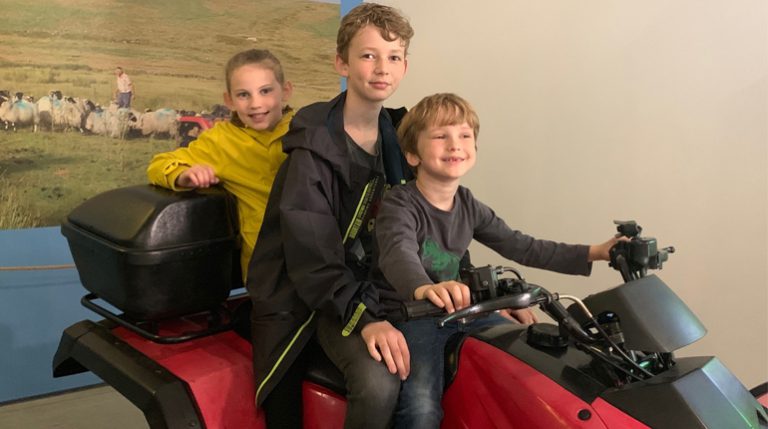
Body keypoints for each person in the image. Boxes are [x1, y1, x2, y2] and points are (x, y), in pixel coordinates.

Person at [373, 93, 621, 428]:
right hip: (414, 317)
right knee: (421, 409)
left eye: (464, 135)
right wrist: (422, 289)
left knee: (526, 366)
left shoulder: (467, 204)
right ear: (412, 154)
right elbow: (398, 253)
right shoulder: (400, 204)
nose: (455, 144)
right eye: (440, 136)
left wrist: (596, 252)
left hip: (463, 313)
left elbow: (522, 246)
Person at [246, 3, 414, 428]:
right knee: (379, 381)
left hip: (380, 287)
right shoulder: (315, 146)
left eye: (393, 57)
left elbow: (434, 215)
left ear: (405, 66)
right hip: (314, 297)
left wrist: (474, 291)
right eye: (368, 55)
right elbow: (311, 255)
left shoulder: (402, 135)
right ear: (341, 61)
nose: (382, 68)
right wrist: (366, 319)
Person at [147, 49, 294, 281]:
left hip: (322, 260)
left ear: (285, 91)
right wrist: (184, 174)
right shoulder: (219, 141)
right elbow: (158, 165)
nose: (256, 103)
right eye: (244, 95)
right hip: (267, 269)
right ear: (229, 101)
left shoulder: (308, 129)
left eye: (265, 91)